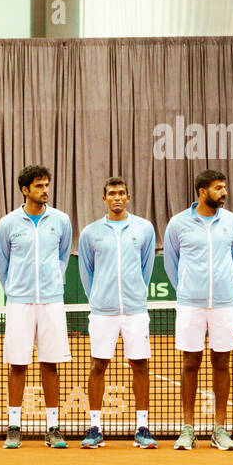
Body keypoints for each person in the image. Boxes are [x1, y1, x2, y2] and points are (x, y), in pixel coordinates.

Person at [164, 168, 233, 451]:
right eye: (218, 188)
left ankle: (219, 429)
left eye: (224, 187)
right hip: (190, 304)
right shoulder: (178, 224)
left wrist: (220, 285)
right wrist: (188, 289)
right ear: (202, 192)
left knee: (222, 364)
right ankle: (188, 428)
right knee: (189, 363)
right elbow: (171, 263)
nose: (224, 192)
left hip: (224, 304)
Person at [0, 165, 73, 449]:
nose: (45, 190)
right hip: (19, 302)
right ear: (25, 190)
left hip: (51, 301)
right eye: (39, 186)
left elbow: (62, 257)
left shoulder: (61, 220)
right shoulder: (8, 223)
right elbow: (2, 264)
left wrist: (51, 283)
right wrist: (16, 289)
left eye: (47, 185)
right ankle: (14, 427)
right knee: (18, 364)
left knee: (50, 364)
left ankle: (53, 428)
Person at [77, 177, 158, 450]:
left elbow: (146, 267)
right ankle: (95, 427)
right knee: (98, 366)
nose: (117, 198)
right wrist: (99, 299)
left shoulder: (144, 229)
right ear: (104, 199)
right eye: (112, 193)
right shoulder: (90, 233)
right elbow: (87, 272)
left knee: (140, 365)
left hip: (135, 311)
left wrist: (136, 294)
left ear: (128, 197)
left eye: (122, 193)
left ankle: (142, 428)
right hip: (103, 312)